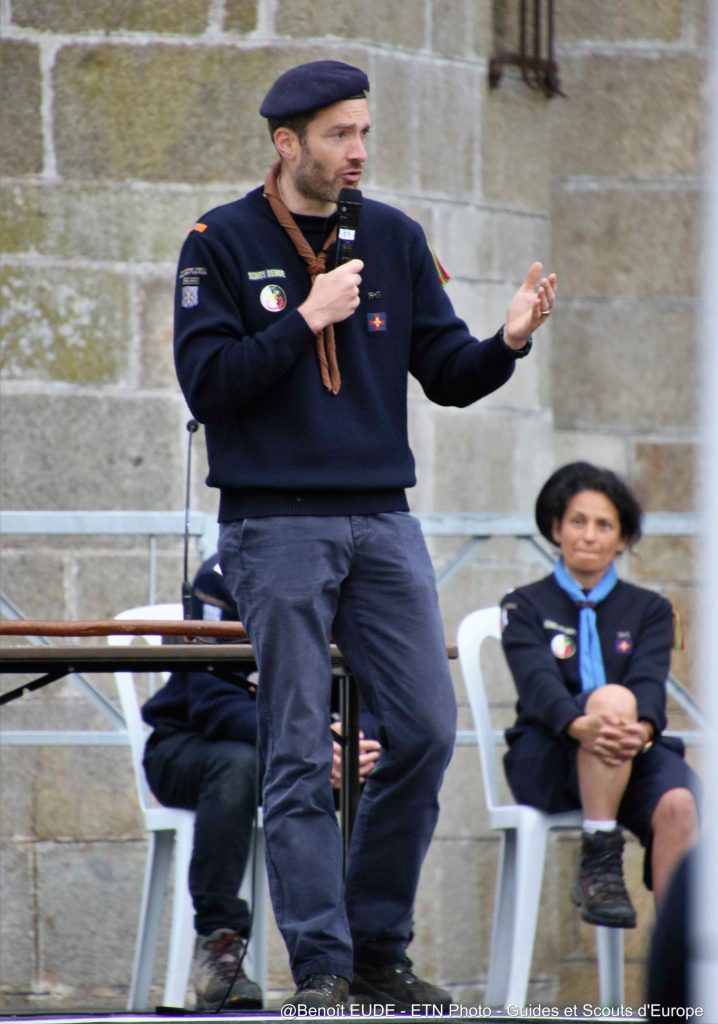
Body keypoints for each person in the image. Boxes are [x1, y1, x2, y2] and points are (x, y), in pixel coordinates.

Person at [172, 58, 556, 1011]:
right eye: (341, 134)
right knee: (299, 748)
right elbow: (208, 386)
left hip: (383, 520)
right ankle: (324, 967)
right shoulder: (218, 241)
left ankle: (378, 942)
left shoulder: (392, 236)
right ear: (287, 141)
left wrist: (507, 340)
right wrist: (306, 318)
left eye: (366, 133)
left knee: (426, 727)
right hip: (274, 525)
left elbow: (449, 370)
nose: (358, 152)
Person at [141, 554, 380, 1011]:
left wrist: (354, 744)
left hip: (300, 747)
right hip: (191, 745)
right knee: (238, 765)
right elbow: (208, 701)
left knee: (380, 771)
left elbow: (372, 684)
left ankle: (366, 953)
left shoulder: (347, 573)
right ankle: (220, 944)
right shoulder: (221, 576)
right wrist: (307, 743)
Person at [499, 462, 700, 929]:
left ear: (623, 537)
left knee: (681, 803)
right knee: (611, 701)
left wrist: (640, 731)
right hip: (549, 752)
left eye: (603, 524)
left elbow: (650, 684)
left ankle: (676, 961)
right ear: (556, 527)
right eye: (577, 521)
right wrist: (579, 724)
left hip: (631, 745)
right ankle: (600, 852)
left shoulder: (651, 609)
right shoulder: (523, 604)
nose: (588, 535)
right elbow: (537, 684)